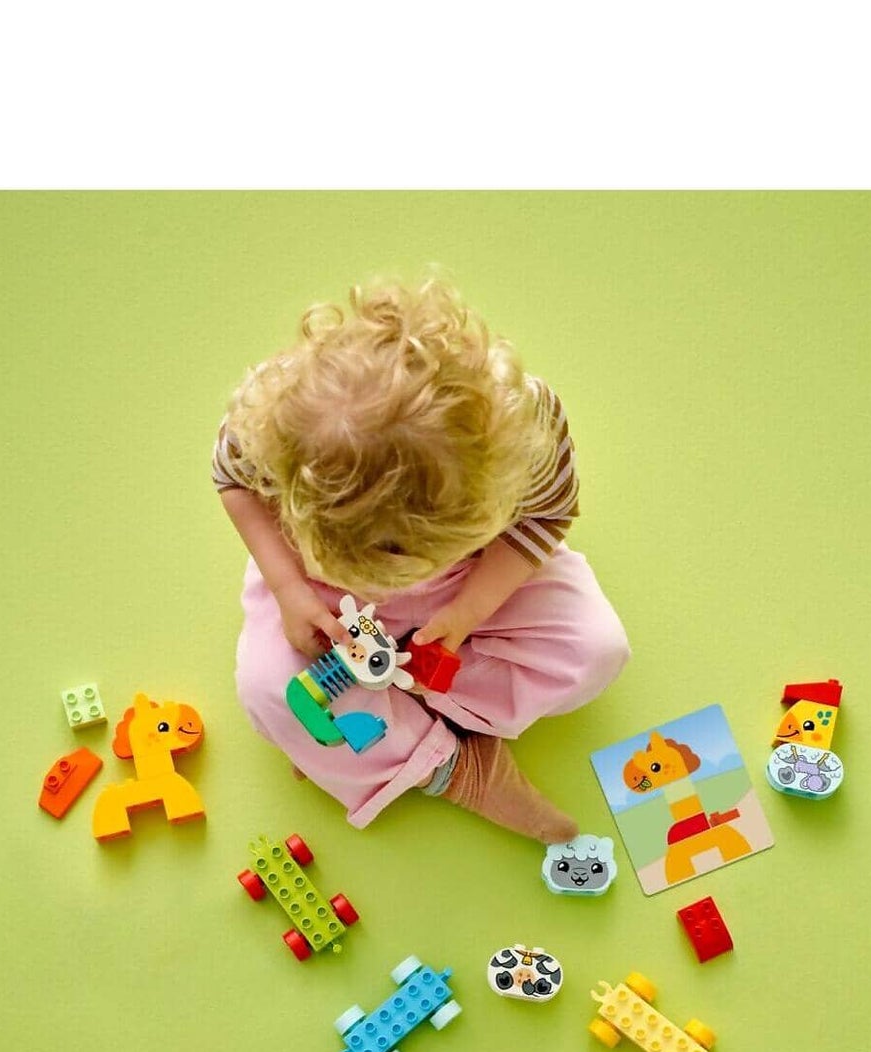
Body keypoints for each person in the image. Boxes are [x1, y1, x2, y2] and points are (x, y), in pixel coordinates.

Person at [215, 276, 629, 844]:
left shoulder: (523, 431)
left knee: (595, 651)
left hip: (476, 576)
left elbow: (542, 520)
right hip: (321, 593)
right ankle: (455, 772)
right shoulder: (275, 420)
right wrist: (289, 589)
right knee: (270, 694)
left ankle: (393, 727)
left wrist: (467, 612)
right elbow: (233, 483)